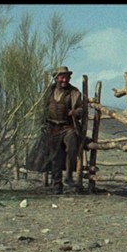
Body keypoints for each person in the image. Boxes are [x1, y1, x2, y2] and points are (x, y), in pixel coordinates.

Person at [42, 66, 84, 194]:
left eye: (67, 77)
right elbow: (42, 109)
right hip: (52, 128)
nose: (64, 80)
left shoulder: (74, 92)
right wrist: (42, 124)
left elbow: (82, 108)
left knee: (72, 144)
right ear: (56, 78)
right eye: (62, 77)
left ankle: (69, 177)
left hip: (67, 127)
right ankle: (57, 184)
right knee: (55, 156)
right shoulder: (48, 92)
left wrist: (75, 112)